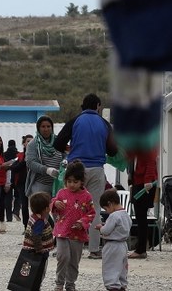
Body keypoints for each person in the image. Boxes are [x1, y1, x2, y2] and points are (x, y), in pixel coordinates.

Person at [54, 94, 118, 260]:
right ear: (98, 106)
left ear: (82, 106)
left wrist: (70, 149)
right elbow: (113, 150)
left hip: (76, 168)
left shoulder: (75, 121)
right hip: (96, 168)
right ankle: (94, 249)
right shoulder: (104, 124)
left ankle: (66, 242)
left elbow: (58, 143)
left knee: (69, 204)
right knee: (94, 207)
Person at [51, 161, 96, 291]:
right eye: (69, 181)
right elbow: (53, 203)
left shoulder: (87, 196)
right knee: (62, 256)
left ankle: (70, 284)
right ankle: (59, 283)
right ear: (65, 180)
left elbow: (92, 213)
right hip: (62, 231)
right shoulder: (61, 193)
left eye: (75, 181)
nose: (72, 184)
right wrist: (55, 204)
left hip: (78, 235)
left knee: (74, 261)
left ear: (82, 181)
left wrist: (82, 222)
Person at [95, 189, 131, 291]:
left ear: (110, 204)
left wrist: (100, 228)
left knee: (111, 267)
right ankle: (122, 285)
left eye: (106, 209)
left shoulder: (114, 216)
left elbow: (106, 230)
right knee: (122, 268)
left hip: (112, 245)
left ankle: (113, 286)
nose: (106, 211)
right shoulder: (125, 215)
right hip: (123, 245)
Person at [128, 148, 158, 259]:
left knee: (141, 217)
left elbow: (151, 162)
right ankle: (141, 248)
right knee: (140, 217)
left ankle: (141, 250)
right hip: (138, 182)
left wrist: (148, 180)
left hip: (145, 184)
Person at [19, 191, 54, 286]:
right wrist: (40, 250)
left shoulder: (33, 217)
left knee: (28, 272)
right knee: (37, 273)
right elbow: (36, 236)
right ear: (46, 208)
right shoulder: (39, 221)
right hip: (37, 253)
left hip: (29, 250)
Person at [25, 116, 64, 200]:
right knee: (41, 211)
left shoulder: (59, 141)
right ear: (38, 128)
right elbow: (30, 162)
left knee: (59, 211)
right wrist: (47, 170)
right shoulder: (33, 144)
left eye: (48, 126)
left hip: (58, 184)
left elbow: (66, 156)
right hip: (40, 184)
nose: (46, 129)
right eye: (43, 126)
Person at [10, 134, 33, 228]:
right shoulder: (20, 156)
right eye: (28, 141)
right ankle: (26, 226)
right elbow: (14, 167)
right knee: (24, 204)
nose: (30, 143)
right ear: (24, 144)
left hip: (35, 182)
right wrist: (24, 161)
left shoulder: (38, 155)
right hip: (22, 183)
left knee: (38, 204)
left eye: (32, 141)